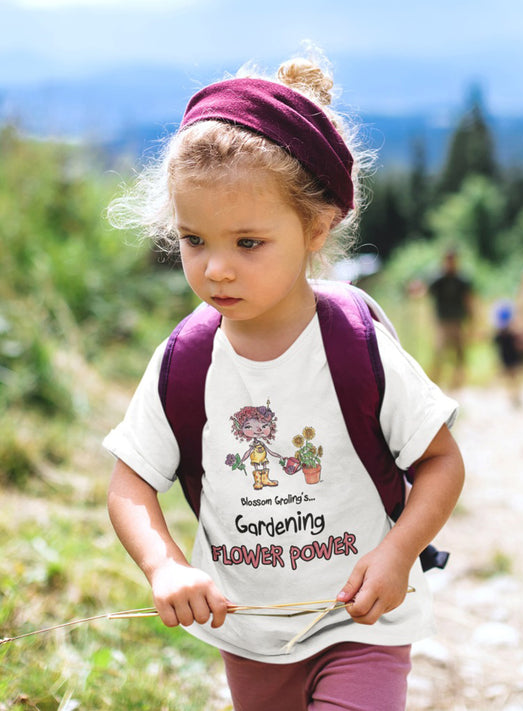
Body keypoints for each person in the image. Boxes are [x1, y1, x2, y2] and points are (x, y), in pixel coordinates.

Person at [103, 55, 465, 711]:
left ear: (316, 228)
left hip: (364, 622)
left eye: (247, 243)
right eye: (193, 239)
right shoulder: (184, 360)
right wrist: (164, 564)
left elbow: (440, 461)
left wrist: (396, 553)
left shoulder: (356, 345)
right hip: (250, 634)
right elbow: (130, 481)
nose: (215, 268)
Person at [428, 249, 474, 389]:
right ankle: (435, 381)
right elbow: (426, 293)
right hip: (443, 322)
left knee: (460, 353)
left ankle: (457, 383)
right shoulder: (438, 280)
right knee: (440, 352)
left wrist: (472, 319)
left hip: (457, 321)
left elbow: (468, 300)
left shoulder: (461, 280)